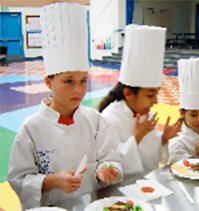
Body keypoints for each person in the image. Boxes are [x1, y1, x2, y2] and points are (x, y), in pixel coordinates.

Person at [8, 3, 122, 209]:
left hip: (92, 205)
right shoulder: (32, 128)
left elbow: (111, 156)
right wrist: (50, 181)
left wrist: (107, 169)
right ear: (48, 82)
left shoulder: (94, 120)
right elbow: (18, 179)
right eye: (68, 81)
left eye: (83, 81)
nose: (78, 90)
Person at [99, 24, 181, 176]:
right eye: (150, 95)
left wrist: (163, 138)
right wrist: (137, 136)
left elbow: (150, 154)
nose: (155, 101)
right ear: (128, 93)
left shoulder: (143, 113)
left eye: (156, 94)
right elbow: (110, 166)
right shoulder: (109, 119)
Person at [168, 58, 199, 164]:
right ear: (182, 113)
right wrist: (197, 154)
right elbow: (178, 167)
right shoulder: (178, 142)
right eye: (193, 115)